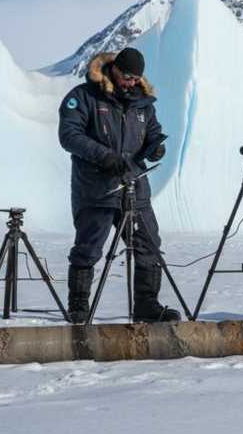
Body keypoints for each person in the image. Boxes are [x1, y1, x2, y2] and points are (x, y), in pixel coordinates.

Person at [58, 47, 180, 323]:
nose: (131, 83)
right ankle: (78, 307)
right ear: (113, 69)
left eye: (136, 78)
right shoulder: (84, 96)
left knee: (149, 246)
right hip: (96, 191)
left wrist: (155, 148)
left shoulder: (143, 103)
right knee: (88, 248)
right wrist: (105, 156)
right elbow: (69, 135)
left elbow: (153, 132)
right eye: (127, 76)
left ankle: (146, 305)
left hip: (135, 189)